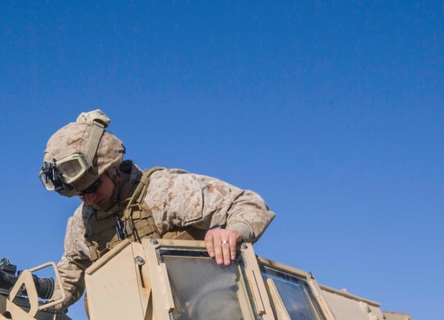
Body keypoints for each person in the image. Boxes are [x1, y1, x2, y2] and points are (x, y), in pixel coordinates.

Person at [40, 110, 275, 309]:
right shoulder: (82, 224)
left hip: (205, 306)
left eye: (93, 186)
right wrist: (35, 293)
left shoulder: (165, 191)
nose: (89, 198)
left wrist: (234, 232)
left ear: (112, 168)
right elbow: (70, 276)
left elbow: (247, 203)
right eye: (79, 193)